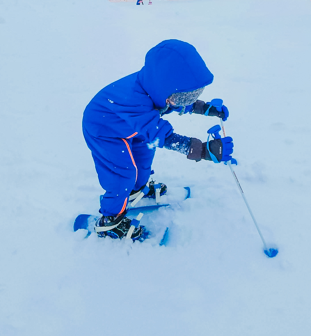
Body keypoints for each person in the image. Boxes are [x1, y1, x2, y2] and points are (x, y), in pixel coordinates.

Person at [82, 39, 233, 240]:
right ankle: (110, 221)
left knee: (144, 160)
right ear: (164, 89)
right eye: (184, 96)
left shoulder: (159, 91)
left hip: (132, 127)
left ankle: (136, 190)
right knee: (122, 174)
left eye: (192, 95)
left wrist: (205, 108)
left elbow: (176, 104)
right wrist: (204, 151)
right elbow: (162, 135)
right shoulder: (134, 100)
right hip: (104, 130)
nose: (185, 101)